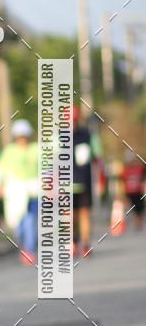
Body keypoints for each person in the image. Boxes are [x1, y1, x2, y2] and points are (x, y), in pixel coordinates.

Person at [0, 119, 39, 265]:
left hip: (34, 191)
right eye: (20, 136)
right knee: (19, 224)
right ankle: (24, 247)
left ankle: (29, 251)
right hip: (16, 193)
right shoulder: (10, 151)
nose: (22, 139)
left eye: (24, 136)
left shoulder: (36, 149)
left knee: (31, 221)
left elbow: (48, 169)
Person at [72, 105, 101, 257]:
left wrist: (101, 180)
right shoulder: (57, 137)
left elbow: (97, 158)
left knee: (84, 214)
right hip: (66, 185)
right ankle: (73, 243)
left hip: (84, 182)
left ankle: (85, 244)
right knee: (70, 216)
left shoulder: (89, 135)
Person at [122, 153, 146, 230]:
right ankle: (136, 223)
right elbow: (123, 181)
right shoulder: (125, 170)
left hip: (138, 192)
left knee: (140, 208)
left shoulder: (140, 168)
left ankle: (139, 223)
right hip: (130, 192)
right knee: (133, 208)